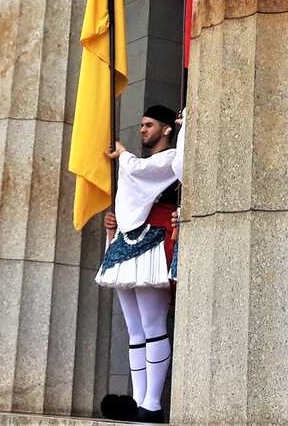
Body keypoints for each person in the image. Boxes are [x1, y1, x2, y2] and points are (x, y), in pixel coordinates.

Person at [96, 105, 184, 424]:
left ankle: (152, 402)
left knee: (152, 324)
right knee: (134, 328)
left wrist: (122, 156)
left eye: (150, 125)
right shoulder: (141, 165)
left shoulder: (171, 159)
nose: (143, 129)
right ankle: (138, 399)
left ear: (166, 129)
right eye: (142, 124)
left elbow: (143, 173)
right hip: (129, 242)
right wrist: (113, 226)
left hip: (155, 241)